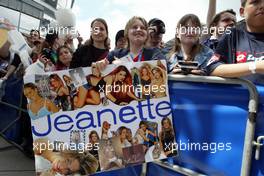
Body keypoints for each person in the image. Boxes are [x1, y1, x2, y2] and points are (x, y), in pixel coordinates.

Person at [206, 0, 264, 84]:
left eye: (233, 21)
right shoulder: (232, 35)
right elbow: (212, 68)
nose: (262, 5)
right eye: (255, 1)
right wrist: (255, 66)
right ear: (242, 12)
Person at [94, 16, 166, 71]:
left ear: (147, 34)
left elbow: (161, 67)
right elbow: (98, 71)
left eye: (143, 28)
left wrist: (125, 66)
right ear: (127, 33)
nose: (138, 29)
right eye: (134, 27)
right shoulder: (115, 54)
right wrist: (99, 65)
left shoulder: (154, 53)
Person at [33, 138, 99, 175]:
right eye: (68, 161)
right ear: (69, 153)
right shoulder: (47, 145)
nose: (62, 167)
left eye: (68, 170)